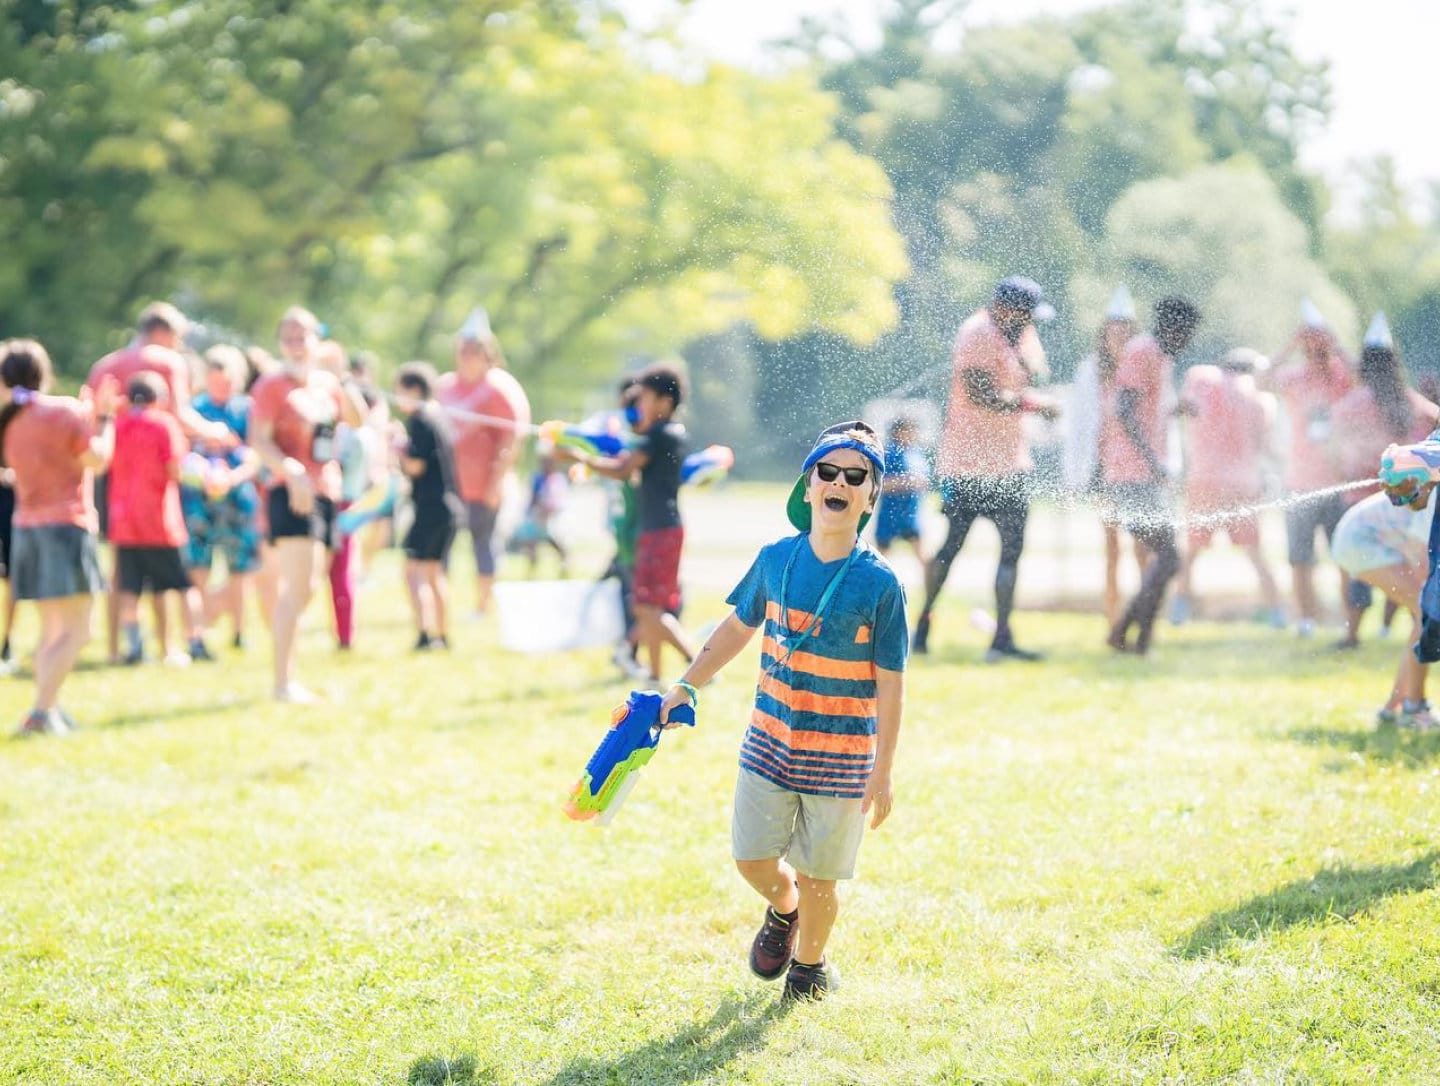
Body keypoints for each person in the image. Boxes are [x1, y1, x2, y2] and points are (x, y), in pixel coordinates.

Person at [656, 421, 907, 1001]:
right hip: (769, 741)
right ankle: (783, 909)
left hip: (842, 755)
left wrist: (884, 766)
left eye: (856, 476)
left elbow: (892, 684)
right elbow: (736, 628)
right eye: (828, 471)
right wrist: (686, 686)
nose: (839, 482)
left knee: (824, 877)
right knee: (751, 859)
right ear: (808, 485)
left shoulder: (880, 584)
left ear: (870, 496)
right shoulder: (775, 560)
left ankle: (809, 970)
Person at [914, 276, 1059, 661]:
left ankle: (1002, 639)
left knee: (1012, 551)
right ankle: (921, 628)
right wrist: (1034, 405)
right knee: (951, 549)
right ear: (1005, 308)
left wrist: (1036, 388)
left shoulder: (1022, 334)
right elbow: (980, 395)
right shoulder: (976, 332)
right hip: (967, 465)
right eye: (1026, 313)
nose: (1030, 322)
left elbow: (1034, 373)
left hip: (1010, 463)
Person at [86, 302, 234, 662]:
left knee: (122, 571)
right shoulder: (166, 363)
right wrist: (216, 432)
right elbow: (181, 415)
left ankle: (116, 647)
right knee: (168, 575)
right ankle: (172, 645)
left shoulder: (105, 365)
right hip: (157, 490)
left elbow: (92, 420)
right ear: (164, 332)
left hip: (115, 482)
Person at [0, 339, 118, 735]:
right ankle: (40, 710)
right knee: (77, 630)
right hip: (66, 527)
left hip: (27, 529)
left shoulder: (10, 421)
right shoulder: (63, 411)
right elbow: (97, 460)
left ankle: (48, 709)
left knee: (52, 631)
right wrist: (104, 419)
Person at [249, 307, 366, 703]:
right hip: (292, 492)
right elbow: (259, 440)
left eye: (304, 337)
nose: (297, 345)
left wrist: (341, 376)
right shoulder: (271, 386)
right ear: (280, 342)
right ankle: (282, 683)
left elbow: (358, 419)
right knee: (296, 588)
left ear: (318, 340)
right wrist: (291, 470)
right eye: (289, 338)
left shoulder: (327, 384)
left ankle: (289, 676)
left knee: (310, 587)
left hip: (327, 491)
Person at [559, 364, 696, 682]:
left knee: (648, 607)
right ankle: (658, 673)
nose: (640, 406)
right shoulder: (667, 435)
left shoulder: (660, 436)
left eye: (646, 398)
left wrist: (580, 458)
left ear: (664, 401)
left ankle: (671, 670)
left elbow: (623, 469)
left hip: (660, 529)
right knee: (648, 606)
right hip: (658, 527)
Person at [1330, 313, 1438, 649]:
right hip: (1408, 502)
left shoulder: (1351, 404)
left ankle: (1352, 634)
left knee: (1354, 573)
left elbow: (1337, 449)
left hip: (1359, 499)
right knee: (1406, 565)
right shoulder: (1411, 401)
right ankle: (1394, 627)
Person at [1103, 296, 1202, 655]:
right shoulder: (1142, 351)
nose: (1189, 340)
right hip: (1132, 474)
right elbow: (1124, 409)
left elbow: (1146, 408)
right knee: (1170, 557)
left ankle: (1132, 635)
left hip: (1146, 475)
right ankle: (1131, 635)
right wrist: (1152, 461)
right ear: (1172, 327)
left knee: (1165, 558)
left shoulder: (1160, 357)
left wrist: (1177, 409)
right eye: (1187, 332)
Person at [1170, 348, 1284, 626]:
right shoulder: (1260, 399)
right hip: (1242, 484)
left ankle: (1178, 612)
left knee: (1192, 551)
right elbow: (1265, 446)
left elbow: (1182, 411)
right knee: (1255, 553)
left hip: (1204, 479)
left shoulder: (1200, 378)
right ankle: (1277, 613)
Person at [1266, 304, 1357, 638]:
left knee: (1344, 556)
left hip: (1338, 482)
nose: (1315, 352)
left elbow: (1366, 379)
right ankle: (1305, 619)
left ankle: (1350, 619)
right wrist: (1291, 344)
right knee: (1300, 557)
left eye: (1319, 346)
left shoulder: (1341, 375)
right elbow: (1262, 379)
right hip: (1299, 482)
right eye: (1310, 346)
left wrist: (1335, 344)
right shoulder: (1295, 376)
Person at [436, 309, 531, 617]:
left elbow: (512, 437)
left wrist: (496, 481)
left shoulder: (499, 387)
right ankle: (441, 604)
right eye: (462, 350)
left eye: (473, 350)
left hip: (484, 485)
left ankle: (483, 605)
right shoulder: (445, 387)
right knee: (442, 547)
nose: (466, 356)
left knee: (483, 544)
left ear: (486, 353)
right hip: (449, 485)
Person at [110, 374, 203, 667]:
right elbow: (175, 469)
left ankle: (135, 646)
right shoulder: (164, 424)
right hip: (160, 520)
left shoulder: (118, 425)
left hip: (123, 520)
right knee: (169, 587)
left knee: (130, 590)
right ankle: (173, 646)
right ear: (160, 398)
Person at [1065, 286, 1144, 627]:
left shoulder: (1144, 367)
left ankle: (1143, 619)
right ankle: (1114, 620)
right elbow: (1080, 425)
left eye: (1126, 331)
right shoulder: (1090, 372)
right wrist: (1075, 474)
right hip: (1105, 471)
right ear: (1105, 334)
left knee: (1143, 547)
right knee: (1112, 548)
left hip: (1139, 470)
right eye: (1115, 330)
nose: (1120, 337)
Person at [183, 345, 262, 654]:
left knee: (239, 569)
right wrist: (204, 474)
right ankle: (197, 634)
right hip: (200, 499)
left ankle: (240, 631)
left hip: (237, 498)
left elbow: (255, 454)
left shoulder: (247, 409)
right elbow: (183, 453)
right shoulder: (194, 409)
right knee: (198, 566)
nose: (221, 388)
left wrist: (233, 477)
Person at [1333, 491, 1436, 728]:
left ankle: (1394, 707)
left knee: (1425, 617)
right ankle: (1414, 707)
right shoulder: (1436, 493)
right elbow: (1421, 558)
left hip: (1369, 539)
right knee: (1427, 614)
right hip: (1361, 540)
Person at [393, 362, 463, 651]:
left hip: (430, 507)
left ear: (414, 390)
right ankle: (442, 635)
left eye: (400, 391)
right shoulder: (439, 417)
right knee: (434, 573)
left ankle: (424, 634)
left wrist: (396, 448)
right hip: (448, 506)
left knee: (414, 571)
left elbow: (416, 466)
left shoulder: (420, 420)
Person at [873, 415, 928, 562]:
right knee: (881, 559)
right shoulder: (888, 453)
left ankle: (932, 585)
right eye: (909, 430)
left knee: (924, 557)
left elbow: (923, 481)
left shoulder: (916, 453)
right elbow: (879, 485)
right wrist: (905, 482)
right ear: (898, 432)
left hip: (911, 513)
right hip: (890, 513)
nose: (913, 434)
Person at [512, 453, 571, 576]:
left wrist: (549, 511)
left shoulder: (557, 479)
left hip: (552, 518)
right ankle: (531, 568)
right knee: (531, 543)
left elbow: (559, 500)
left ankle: (564, 565)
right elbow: (532, 497)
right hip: (537, 516)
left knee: (555, 542)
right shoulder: (537, 478)